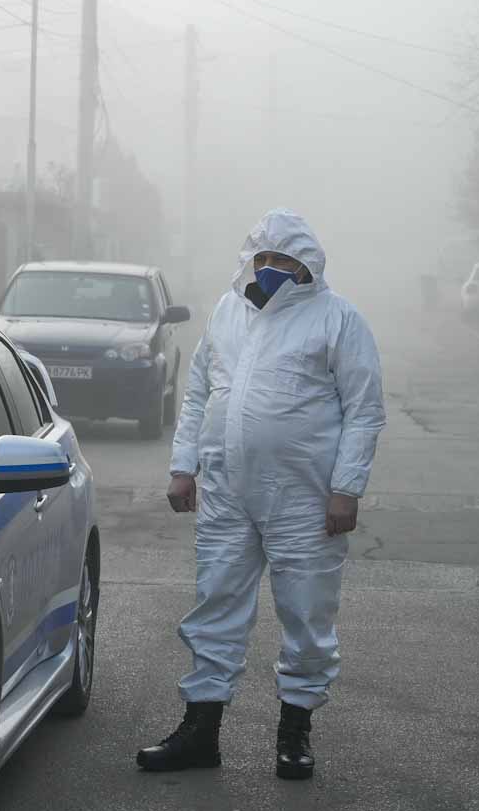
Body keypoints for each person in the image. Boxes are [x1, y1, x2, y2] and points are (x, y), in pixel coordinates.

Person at [137, 208, 385, 781]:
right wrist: (184, 467)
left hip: (305, 497)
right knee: (215, 606)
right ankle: (201, 732)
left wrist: (346, 489)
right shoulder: (229, 313)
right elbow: (198, 391)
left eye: (287, 260)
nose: (274, 269)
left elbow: (364, 411)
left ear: (309, 265)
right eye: (265, 258)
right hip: (227, 492)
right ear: (250, 260)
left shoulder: (338, 320)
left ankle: (293, 732)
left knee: (305, 613)